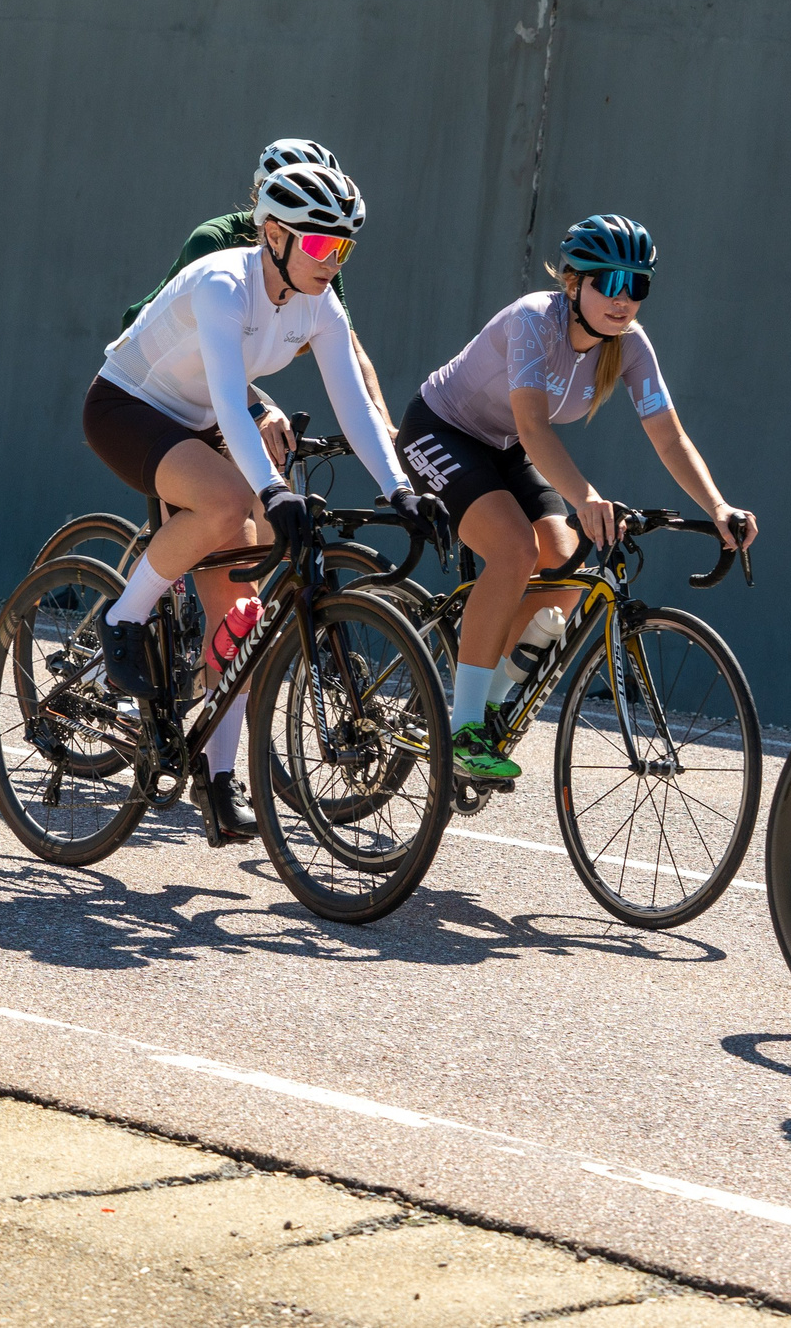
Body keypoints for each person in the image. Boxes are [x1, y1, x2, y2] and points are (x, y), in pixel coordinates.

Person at [86, 161, 448, 841]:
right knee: (227, 505)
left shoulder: (317, 301)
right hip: (128, 407)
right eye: (318, 245)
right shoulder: (226, 282)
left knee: (244, 613)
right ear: (274, 234)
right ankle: (124, 618)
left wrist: (401, 488)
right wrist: (272, 490)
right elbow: (230, 398)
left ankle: (218, 780)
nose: (331, 261)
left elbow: (356, 403)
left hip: (198, 423)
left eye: (342, 248)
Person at [398, 215, 753, 781]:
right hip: (441, 430)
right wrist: (586, 496)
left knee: (564, 569)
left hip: (505, 446)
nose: (624, 299)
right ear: (574, 283)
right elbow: (536, 429)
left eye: (637, 285)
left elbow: (669, 435)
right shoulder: (535, 321)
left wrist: (718, 507)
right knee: (514, 551)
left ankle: (488, 702)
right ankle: (461, 729)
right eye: (609, 283)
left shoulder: (630, 346)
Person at [121, 138, 394, 457]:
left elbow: (347, 343)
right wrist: (259, 412)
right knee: (212, 489)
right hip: (161, 367)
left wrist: (383, 423)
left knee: (280, 453)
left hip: (222, 366)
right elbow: (209, 348)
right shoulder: (215, 240)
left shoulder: (314, 256)